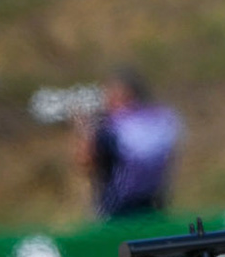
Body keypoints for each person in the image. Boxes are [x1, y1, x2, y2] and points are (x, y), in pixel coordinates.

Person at [76, 68, 183, 220]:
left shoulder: (113, 126)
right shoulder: (160, 119)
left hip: (117, 209)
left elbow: (86, 161)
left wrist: (85, 131)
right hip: (154, 204)